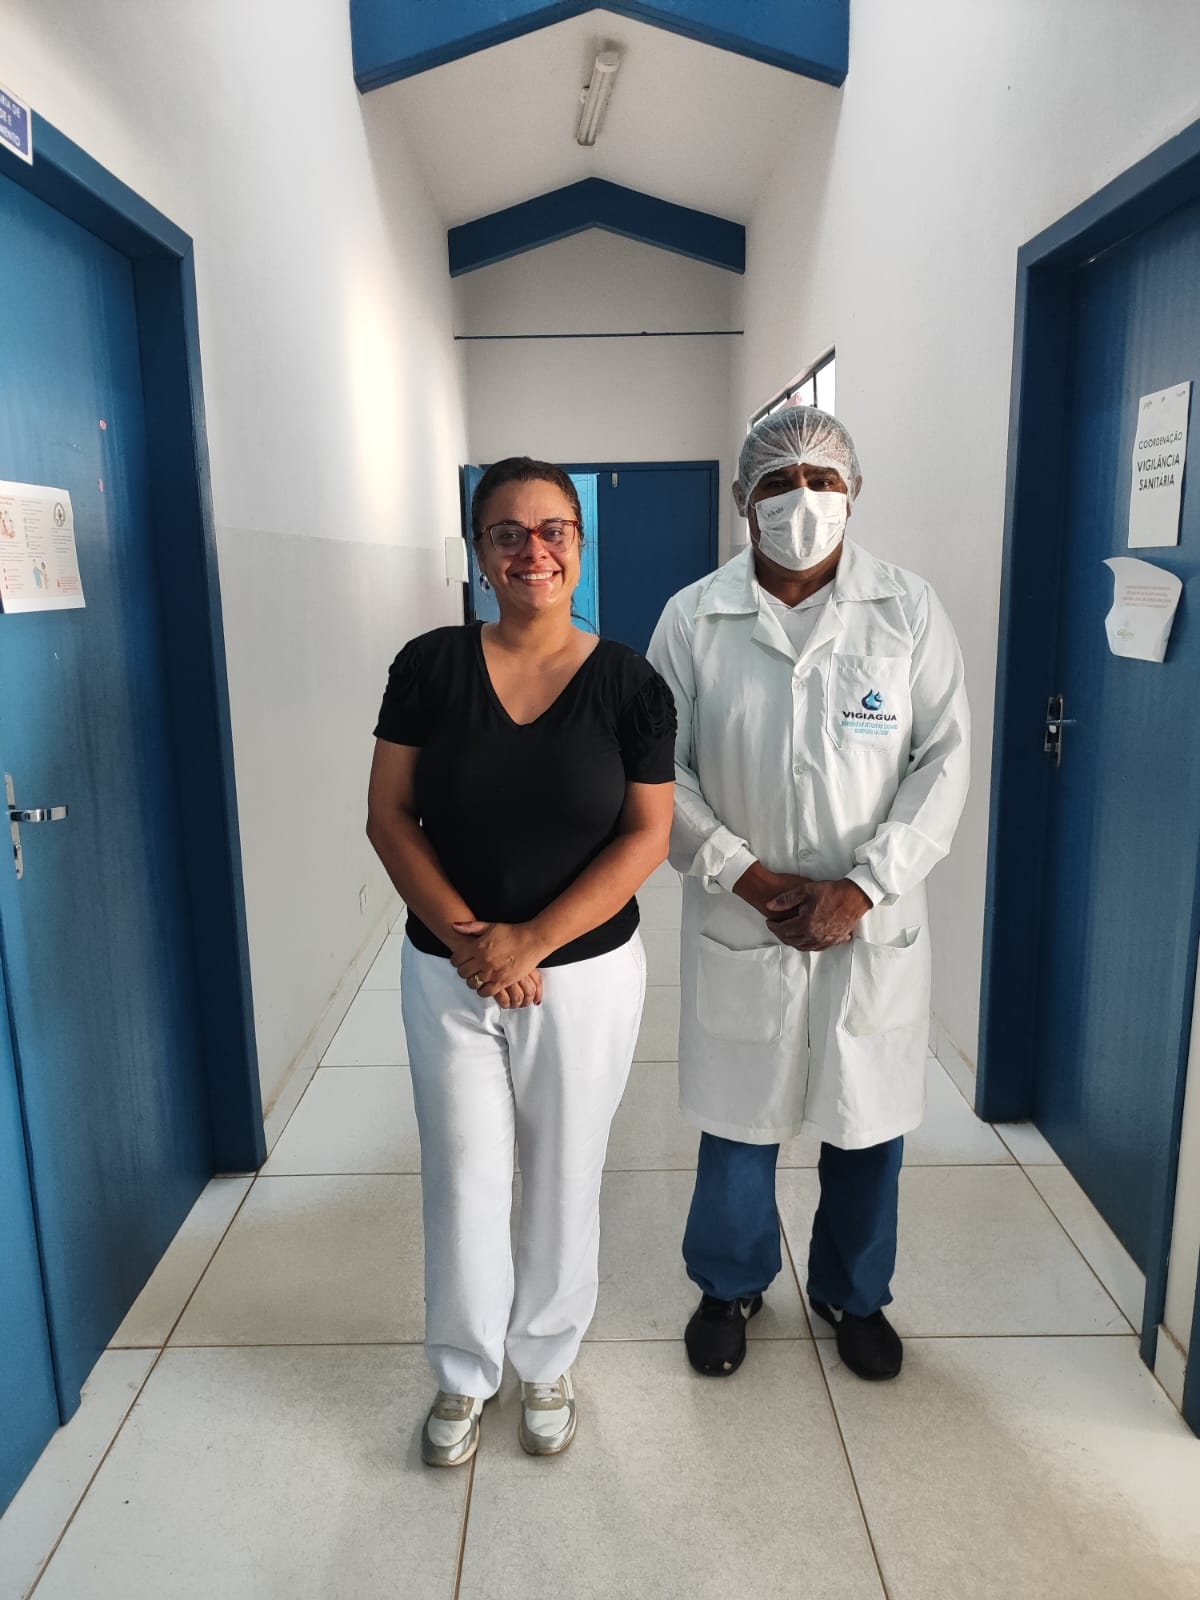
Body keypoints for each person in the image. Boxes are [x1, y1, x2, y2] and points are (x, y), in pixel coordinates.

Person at [647, 406, 969, 1382]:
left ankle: (853, 1292)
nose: (803, 500)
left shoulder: (907, 610)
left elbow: (944, 762)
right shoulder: (693, 617)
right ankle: (729, 1284)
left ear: (853, 492)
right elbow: (655, 770)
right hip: (742, 914)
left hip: (870, 921)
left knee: (867, 1120)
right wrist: (743, 873)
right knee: (739, 1119)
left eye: (823, 481)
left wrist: (862, 889)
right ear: (742, 499)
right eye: (778, 482)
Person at [367, 456, 675, 1466]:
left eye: (553, 531)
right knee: (463, 1175)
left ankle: (545, 1359)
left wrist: (530, 941)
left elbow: (646, 836)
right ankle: (464, 1372)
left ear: (579, 546)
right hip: (448, 971)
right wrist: (474, 943)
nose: (531, 551)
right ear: (479, 550)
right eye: (507, 532)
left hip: (582, 975)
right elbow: (388, 815)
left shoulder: (630, 685)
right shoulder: (428, 667)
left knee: (563, 1171)